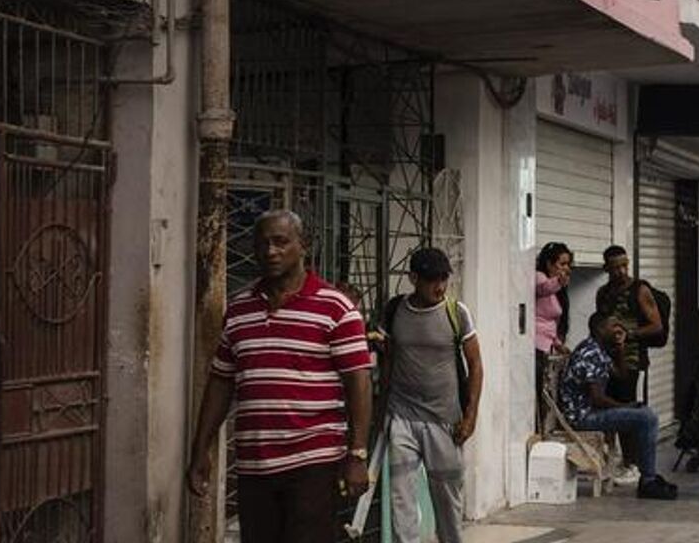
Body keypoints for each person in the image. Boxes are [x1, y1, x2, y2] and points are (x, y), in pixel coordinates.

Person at [185, 210, 373, 543]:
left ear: (304, 246)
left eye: (281, 242)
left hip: (313, 463)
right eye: (262, 244)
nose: (270, 251)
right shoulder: (240, 309)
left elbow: (358, 383)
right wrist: (201, 449)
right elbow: (220, 382)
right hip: (255, 466)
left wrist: (357, 455)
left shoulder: (336, 308)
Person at [378, 248, 483, 543]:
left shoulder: (456, 313)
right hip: (402, 418)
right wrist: (381, 414)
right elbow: (387, 363)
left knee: (447, 502)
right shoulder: (395, 310)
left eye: (443, 279)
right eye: (432, 280)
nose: (439, 286)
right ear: (413, 278)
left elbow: (475, 365)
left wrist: (470, 416)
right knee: (401, 502)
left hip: (444, 423)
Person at [558, 312, 679, 500]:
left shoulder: (600, 350)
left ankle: (648, 474)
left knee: (643, 413)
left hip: (591, 411)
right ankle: (648, 480)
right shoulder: (590, 353)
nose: (619, 328)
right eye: (613, 325)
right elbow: (597, 398)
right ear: (599, 329)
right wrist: (625, 407)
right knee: (647, 418)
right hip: (582, 417)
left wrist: (621, 348)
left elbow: (622, 376)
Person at [596, 245, 663, 480]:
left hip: (631, 360)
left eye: (624, 266)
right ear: (606, 268)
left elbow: (656, 325)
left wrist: (629, 335)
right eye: (615, 268)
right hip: (606, 359)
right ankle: (609, 459)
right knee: (607, 407)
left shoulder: (639, 290)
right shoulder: (603, 293)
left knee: (625, 407)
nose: (621, 272)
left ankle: (630, 462)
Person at [534, 242, 572, 434]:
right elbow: (542, 288)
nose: (566, 269)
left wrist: (558, 344)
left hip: (548, 345)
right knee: (540, 392)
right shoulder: (540, 277)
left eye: (568, 265)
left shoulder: (558, 287)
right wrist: (558, 282)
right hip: (537, 345)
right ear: (549, 264)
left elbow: (550, 323)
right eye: (562, 264)